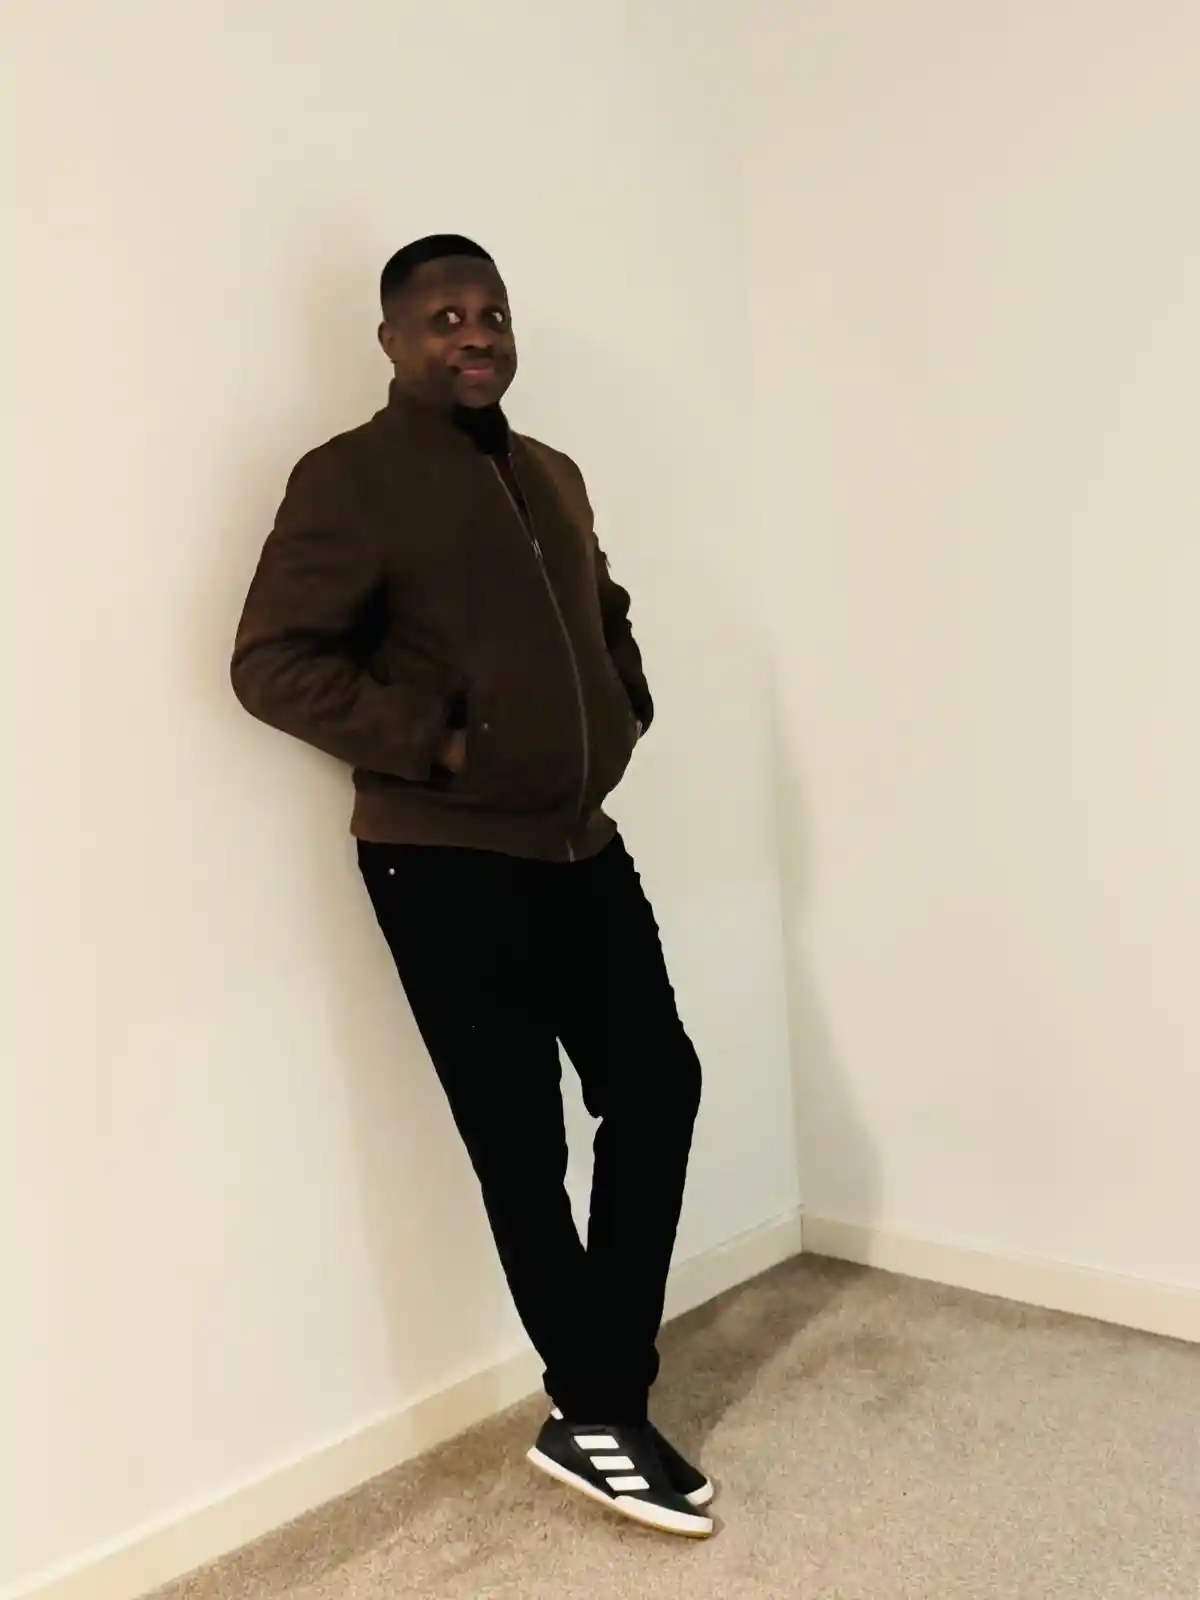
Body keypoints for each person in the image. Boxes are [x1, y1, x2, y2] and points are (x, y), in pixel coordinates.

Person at [231, 236, 711, 1539]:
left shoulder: (551, 471)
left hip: (579, 843)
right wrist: (443, 746)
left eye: (490, 312)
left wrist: (623, 700)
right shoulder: (350, 477)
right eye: (443, 316)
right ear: (393, 340)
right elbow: (272, 662)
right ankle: (602, 1409)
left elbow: (603, 608)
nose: (475, 333)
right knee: (521, 1141)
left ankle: (599, 1399)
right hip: (441, 860)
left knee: (656, 1087)